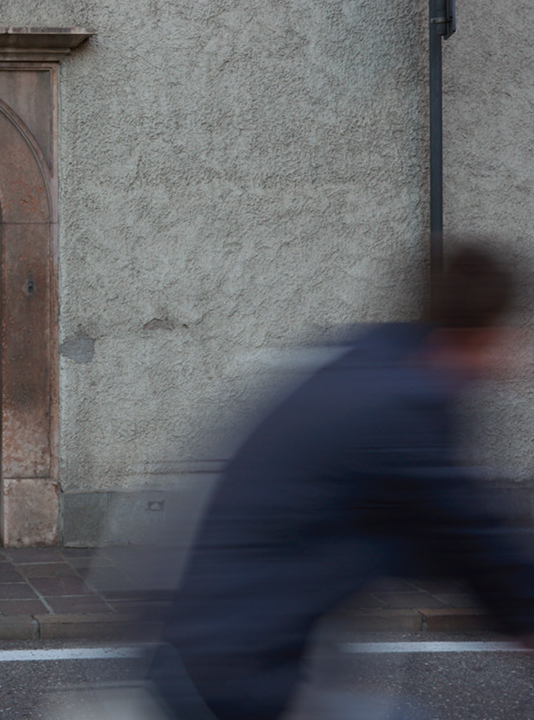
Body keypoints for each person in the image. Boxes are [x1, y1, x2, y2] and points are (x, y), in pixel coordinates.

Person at [151, 244, 534, 719]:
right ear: (481, 338)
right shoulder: (401, 408)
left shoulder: (366, 363)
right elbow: (471, 533)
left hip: (211, 648)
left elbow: (433, 537)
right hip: (234, 675)